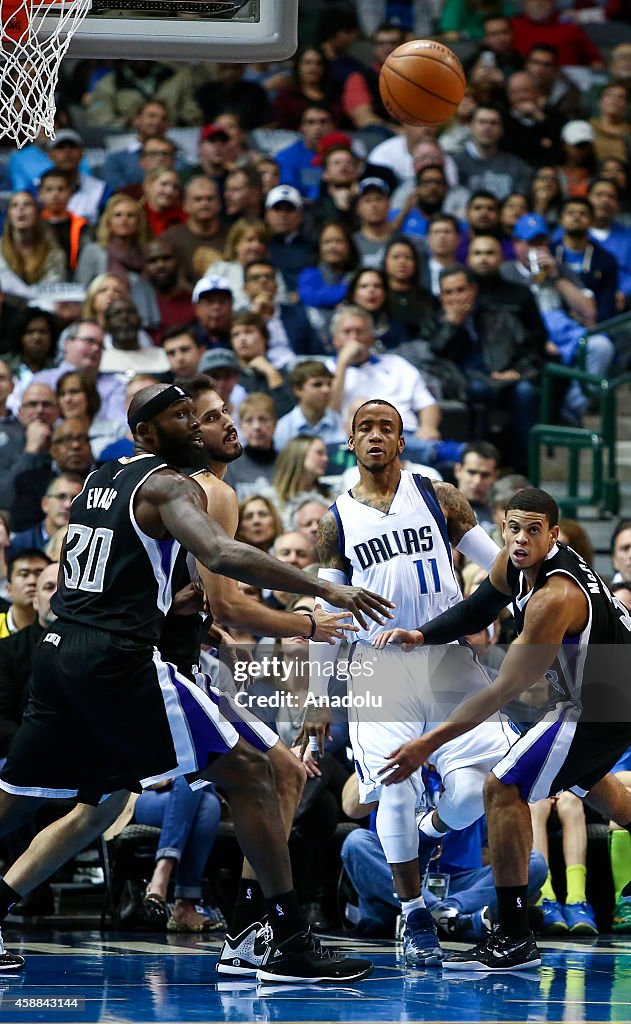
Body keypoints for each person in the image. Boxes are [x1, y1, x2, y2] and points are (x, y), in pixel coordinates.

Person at [0, 381, 392, 979]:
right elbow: (222, 554)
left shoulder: (103, 477)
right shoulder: (174, 484)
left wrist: (183, 613)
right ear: (147, 434)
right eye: (184, 417)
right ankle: (277, 935)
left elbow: (130, 572)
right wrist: (320, 592)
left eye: (198, 415)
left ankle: (262, 931)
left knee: (35, 797)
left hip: (64, 651)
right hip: (119, 660)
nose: (196, 425)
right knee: (255, 769)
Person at [374, 486, 631, 971]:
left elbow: (501, 690)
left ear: (553, 535)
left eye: (534, 530)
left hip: (602, 706)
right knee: (607, 795)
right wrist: (421, 634)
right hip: (606, 697)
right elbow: (477, 609)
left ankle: (514, 936)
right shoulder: (514, 565)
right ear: (502, 526)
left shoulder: (553, 597)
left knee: (502, 786)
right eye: (513, 527)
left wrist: (427, 742)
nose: (520, 539)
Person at [299, 398, 510, 967]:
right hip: (379, 667)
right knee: (393, 782)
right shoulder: (334, 521)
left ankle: (428, 825)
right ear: (350, 441)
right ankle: (414, 911)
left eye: (384, 428)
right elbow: (329, 614)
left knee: (482, 786)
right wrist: (318, 697)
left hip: (446, 657)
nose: (374, 436)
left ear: (400, 441)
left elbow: (500, 568)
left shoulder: (439, 497)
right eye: (363, 427)